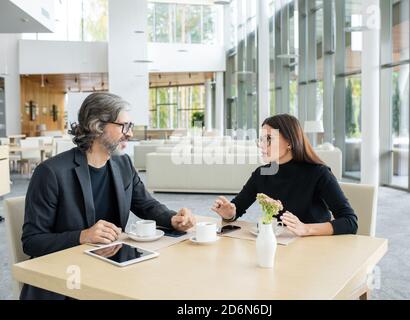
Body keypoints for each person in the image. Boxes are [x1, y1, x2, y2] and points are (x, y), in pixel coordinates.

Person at [21, 92, 195, 300]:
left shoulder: (123, 165)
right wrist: (83, 236)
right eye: (124, 126)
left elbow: (146, 204)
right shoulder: (51, 172)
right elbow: (32, 241)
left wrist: (172, 218)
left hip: (109, 271)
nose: (129, 134)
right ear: (97, 126)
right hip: (64, 281)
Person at [211, 114, 357, 236]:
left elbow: (350, 221)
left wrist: (306, 228)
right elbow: (237, 208)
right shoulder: (262, 174)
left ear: (289, 142)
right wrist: (229, 213)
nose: (262, 145)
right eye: (261, 139)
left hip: (314, 248)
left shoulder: (319, 173)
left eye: (269, 139)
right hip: (278, 246)